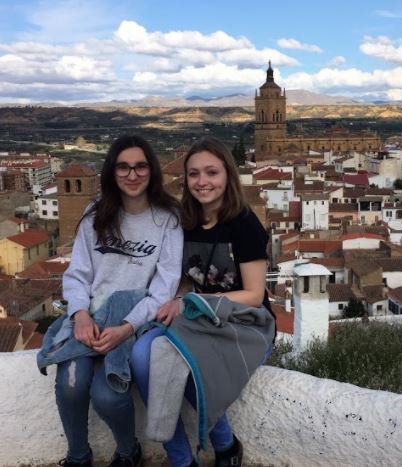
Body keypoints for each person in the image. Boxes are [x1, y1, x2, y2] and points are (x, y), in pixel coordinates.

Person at [131, 137, 274, 467]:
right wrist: (181, 299)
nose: (202, 181)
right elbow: (184, 280)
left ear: (227, 175)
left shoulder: (244, 225)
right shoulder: (185, 222)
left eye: (211, 172)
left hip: (244, 323)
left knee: (197, 372)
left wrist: (191, 301)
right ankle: (181, 459)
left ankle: (224, 446)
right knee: (141, 357)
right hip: (196, 317)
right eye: (194, 174)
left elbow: (253, 295)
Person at [41, 135, 183, 467]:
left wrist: (125, 327)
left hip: (136, 321)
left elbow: (164, 288)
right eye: (123, 167)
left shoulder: (168, 220)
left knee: (107, 396)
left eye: (140, 166)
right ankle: (77, 457)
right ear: (111, 171)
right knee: (72, 384)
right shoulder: (96, 214)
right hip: (90, 317)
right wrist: (79, 314)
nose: (132, 175)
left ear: (151, 170)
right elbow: (78, 273)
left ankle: (128, 451)